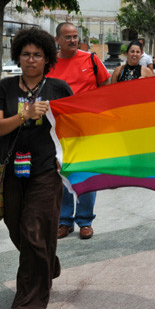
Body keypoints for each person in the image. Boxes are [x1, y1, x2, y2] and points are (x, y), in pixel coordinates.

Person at [0, 28, 73, 309]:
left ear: (47, 58)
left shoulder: (59, 88)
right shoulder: (5, 88)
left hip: (47, 171)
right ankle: (47, 261)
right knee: (17, 229)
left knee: (34, 230)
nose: (31, 59)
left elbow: (74, 126)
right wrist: (24, 115)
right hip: (11, 170)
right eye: (26, 54)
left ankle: (29, 300)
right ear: (18, 56)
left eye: (37, 54)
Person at [47, 22, 110, 239]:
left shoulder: (91, 59)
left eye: (75, 36)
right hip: (60, 129)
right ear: (57, 40)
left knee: (87, 173)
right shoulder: (49, 64)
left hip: (87, 129)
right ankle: (64, 222)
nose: (73, 40)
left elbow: (106, 87)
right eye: (67, 37)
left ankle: (85, 221)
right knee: (62, 172)